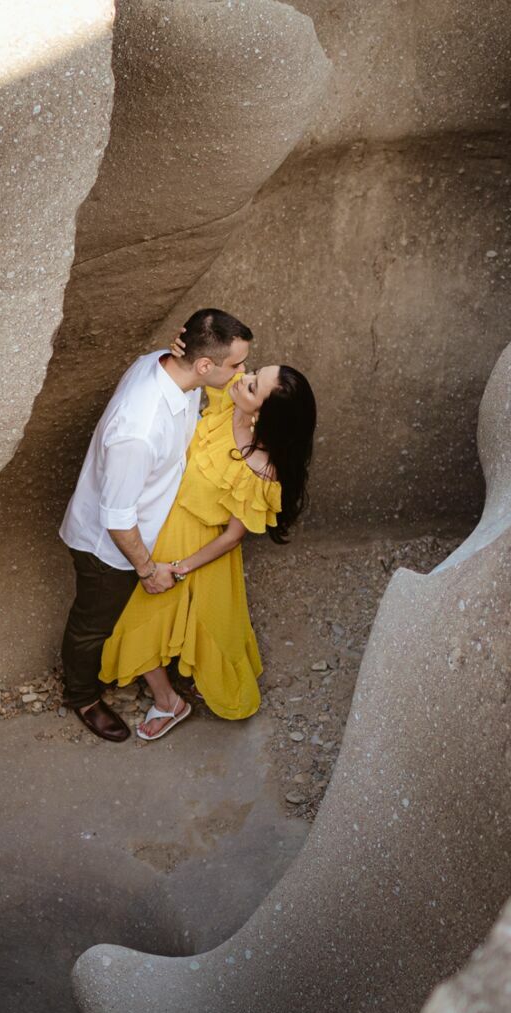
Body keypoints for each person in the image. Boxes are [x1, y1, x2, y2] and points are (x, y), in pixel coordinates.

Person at [57, 309, 252, 741]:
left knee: (128, 617)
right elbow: (117, 518)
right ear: (205, 365)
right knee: (92, 625)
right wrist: (146, 570)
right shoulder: (139, 429)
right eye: (236, 364)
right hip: (108, 548)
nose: (242, 372)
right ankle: (83, 696)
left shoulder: (168, 366)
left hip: (148, 528)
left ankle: (147, 673)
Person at [98, 358, 318, 739]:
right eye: (255, 372)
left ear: (264, 415)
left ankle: (174, 700)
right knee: (145, 622)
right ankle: (172, 697)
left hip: (200, 548)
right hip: (163, 521)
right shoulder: (231, 397)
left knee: (193, 628)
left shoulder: (260, 471)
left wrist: (181, 566)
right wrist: (183, 347)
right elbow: (209, 363)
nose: (245, 378)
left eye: (254, 386)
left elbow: (232, 536)